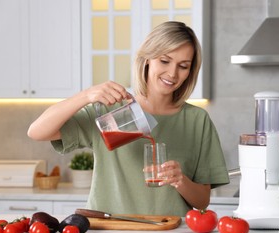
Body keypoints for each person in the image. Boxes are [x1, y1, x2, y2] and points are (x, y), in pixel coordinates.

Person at [28, 21, 229, 217]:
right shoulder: (110, 109)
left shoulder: (197, 120)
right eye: (165, 61)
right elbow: (36, 132)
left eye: (183, 66)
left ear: (190, 72)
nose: (173, 73)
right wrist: (86, 95)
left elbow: (202, 201)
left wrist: (180, 180)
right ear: (148, 59)